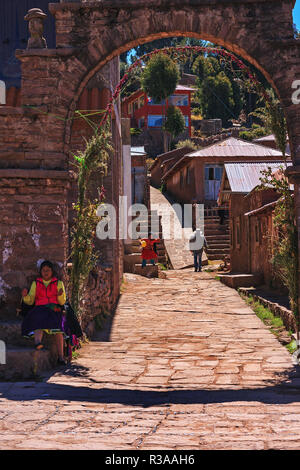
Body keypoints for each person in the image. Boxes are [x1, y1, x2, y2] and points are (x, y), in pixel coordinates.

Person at [21, 260, 67, 365]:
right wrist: (25, 296)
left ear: (52, 272)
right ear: (40, 272)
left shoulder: (58, 283)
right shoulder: (36, 283)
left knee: (58, 328)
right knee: (38, 319)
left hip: (54, 307)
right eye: (43, 270)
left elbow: (62, 301)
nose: (46, 272)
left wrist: (59, 295)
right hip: (40, 307)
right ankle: (38, 343)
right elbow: (31, 300)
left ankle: (61, 357)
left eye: (48, 270)